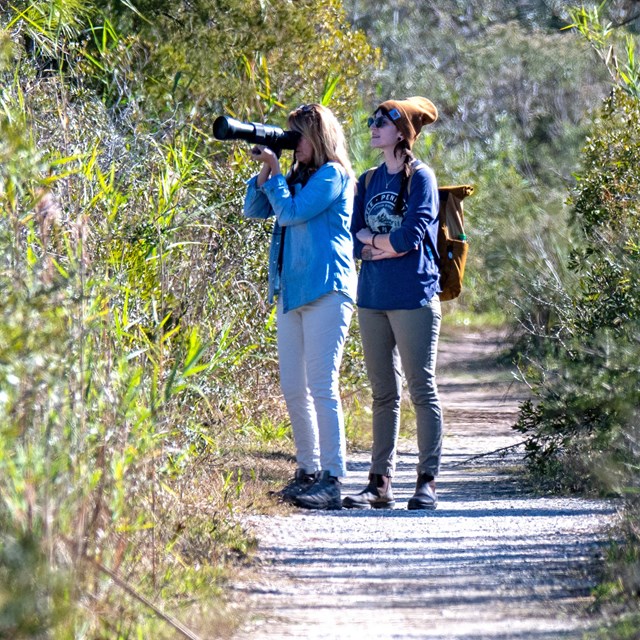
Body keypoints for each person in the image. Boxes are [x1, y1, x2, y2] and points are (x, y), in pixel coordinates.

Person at [243, 103, 357, 510]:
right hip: (293, 292)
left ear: (320, 137)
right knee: (293, 386)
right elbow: (254, 209)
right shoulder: (296, 176)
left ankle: (333, 477)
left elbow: (290, 213)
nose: (294, 144)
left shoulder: (333, 175)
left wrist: (277, 173)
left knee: (322, 385)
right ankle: (307, 471)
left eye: (299, 136)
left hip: (327, 289)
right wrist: (268, 170)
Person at [342, 96, 443, 511]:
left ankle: (427, 482)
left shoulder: (421, 178)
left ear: (402, 132)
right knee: (384, 394)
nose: (373, 127)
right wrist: (379, 246)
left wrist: (377, 242)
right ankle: (380, 483)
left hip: (413, 296)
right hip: (372, 299)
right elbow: (352, 237)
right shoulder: (367, 180)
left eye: (382, 121)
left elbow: (410, 237)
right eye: (372, 120)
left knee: (421, 390)